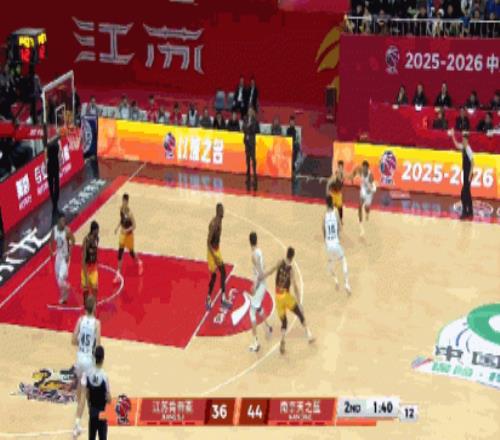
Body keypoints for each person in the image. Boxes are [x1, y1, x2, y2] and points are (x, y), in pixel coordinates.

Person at [260, 247, 314, 355]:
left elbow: (271, 271)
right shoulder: (291, 270)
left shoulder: (280, 262)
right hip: (286, 297)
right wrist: (299, 302)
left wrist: (262, 276)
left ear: (286, 254)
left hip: (278, 297)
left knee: (284, 322)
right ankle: (309, 335)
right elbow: (295, 286)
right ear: (293, 257)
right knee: (300, 314)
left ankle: (283, 338)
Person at [72, 295, 101, 439]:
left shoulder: (80, 320)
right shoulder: (97, 323)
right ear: (94, 307)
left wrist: (82, 345)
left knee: (80, 392)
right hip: (88, 361)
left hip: (79, 359)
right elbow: (98, 346)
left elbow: (73, 340)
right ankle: (77, 425)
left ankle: (80, 412)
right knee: (85, 393)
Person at [247, 232, 273, 352]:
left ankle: (256, 343)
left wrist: (254, 286)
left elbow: (260, 273)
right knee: (258, 308)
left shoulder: (253, 255)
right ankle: (268, 327)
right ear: (256, 240)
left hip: (260, 285)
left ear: (249, 242)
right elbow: (264, 266)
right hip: (263, 285)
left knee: (252, 313)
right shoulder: (260, 252)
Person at [113, 194, 143, 283]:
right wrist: (117, 227)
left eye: (125, 201)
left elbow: (134, 226)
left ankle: (140, 262)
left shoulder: (130, 213)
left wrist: (127, 230)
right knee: (120, 253)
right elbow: (121, 219)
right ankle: (118, 274)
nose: (123, 203)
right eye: (122, 201)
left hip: (129, 235)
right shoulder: (121, 209)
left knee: (131, 253)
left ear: (127, 202)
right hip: (122, 235)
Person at [324, 195, 350, 293]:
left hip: (328, 245)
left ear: (326, 204)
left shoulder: (325, 216)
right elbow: (339, 227)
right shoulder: (336, 212)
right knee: (343, 261)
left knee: (330, 266)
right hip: (336, 243)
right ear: (332, 202)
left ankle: (336, 281)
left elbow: (324, 232)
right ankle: (346, 284)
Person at [84, 346, 111, 440]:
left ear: (95, 358)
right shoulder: (104, 376)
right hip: (102, 413)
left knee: (91, 438)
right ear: (103, 359)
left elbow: (87, 394)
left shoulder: (89, 374)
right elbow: (108, 399)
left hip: (92, 411)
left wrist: (90, 407)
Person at [206, 203, 229, 310]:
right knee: (214, 275)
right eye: (221, 210)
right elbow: (208, 242)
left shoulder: (220, 220)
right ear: (218, 211)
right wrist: (214, 256)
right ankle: (208, 297)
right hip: (211, 252)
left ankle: (223, 298)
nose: (223, 212)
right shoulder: (214, 224)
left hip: (217, 249)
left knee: (223, 271)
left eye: (223, 210)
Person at [51, 213, 75, 304]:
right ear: (58, 221)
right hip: (58, 256)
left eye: (64, 220)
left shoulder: (67, 231)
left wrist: (69, 253)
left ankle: (68, 287)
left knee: (61, 280)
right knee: (58, 278)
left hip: (65, 257)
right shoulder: (54, 230)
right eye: (62, 221)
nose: (63, 222)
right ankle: (64, 297)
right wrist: (52, 250)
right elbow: (51, 241)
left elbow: (73, 241)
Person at [449, 129, 474, 219]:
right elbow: (456, 145)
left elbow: (473, 163)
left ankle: (464, 212)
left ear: (466, 140)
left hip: (468, 174)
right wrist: (453, 136)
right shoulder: (463, 147)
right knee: (468, 193)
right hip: (466, 173)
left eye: (463, 140)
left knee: (463, 194)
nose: (462, 141)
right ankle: (470, 211)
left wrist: (470, 175)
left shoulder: (468, 149)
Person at [350, 160, 376, 237]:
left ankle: (367, 213)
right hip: (363, 190)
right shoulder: (360, 170)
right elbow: (355, 171)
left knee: (366, 208)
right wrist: (352, 177)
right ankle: (361, 228)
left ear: (368, 168)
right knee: (359, 206)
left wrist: (370, 190)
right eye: (363, 168)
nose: (363, 169)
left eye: (365, 168)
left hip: (369, 192)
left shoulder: (370, 176)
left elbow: (373, 188)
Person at [82, 221, 99, 304]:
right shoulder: (86, 240)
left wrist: (96, 259)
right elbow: (83, 259)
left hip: (94, 268)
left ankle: (95, 304)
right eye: (97, 230)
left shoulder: (97, 238)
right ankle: (85, 305)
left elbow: (96, 251)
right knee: (85, 290)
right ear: (93, 230)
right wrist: (86, 275)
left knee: (95, 288)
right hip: (86, 268)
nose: (98, 232)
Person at [45, 133, 61, 218]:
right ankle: (55, 202)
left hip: (52, 164)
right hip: (53, 163)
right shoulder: (54, 143)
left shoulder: (50, 144)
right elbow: (59, 153)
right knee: (54, 183)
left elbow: (46, 157)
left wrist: (45, 166)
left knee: (53, 184)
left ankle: (54, 202)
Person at [243, 107, 259, 190]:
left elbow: (255, 130)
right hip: (246, 141)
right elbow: (243, 128)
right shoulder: (245, 119)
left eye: (251, 111)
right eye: (248, 111)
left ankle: (255, 177)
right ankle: (248, 177)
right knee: (247, 159)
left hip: (252, 142)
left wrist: (249, 127)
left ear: (253, 112)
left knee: (253, 159)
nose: (249, 112)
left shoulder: (255, 121)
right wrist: (248, 127)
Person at [326, 160, 345, 224]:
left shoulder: (343, 175)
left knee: (340, 208)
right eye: (339, 167)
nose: (340, 168)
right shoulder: (335, 175)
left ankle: (341, 219)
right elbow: (329, 183)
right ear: (338, 167)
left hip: (338, 194)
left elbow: (348, 177)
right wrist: (328, 191)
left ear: (343, 167)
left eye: (341, 167)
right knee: (331, 208)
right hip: (333, 193)